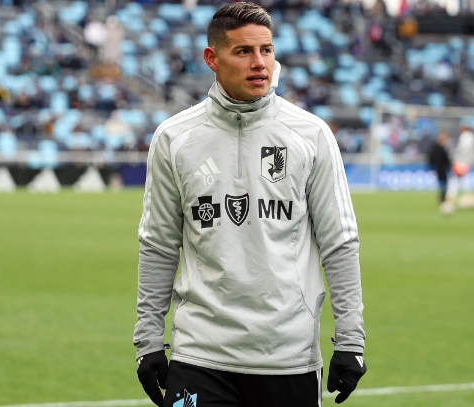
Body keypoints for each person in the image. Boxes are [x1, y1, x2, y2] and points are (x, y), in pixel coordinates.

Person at [133, 4, 366, 407]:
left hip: (288, 357)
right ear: (212, 58)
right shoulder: (174, 138)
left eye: (267, 50)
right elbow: (158, 245)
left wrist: (351, 339)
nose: (260, 63)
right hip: (200, 355)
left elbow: (340, 242)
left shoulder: (311, 135)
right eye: (243, 51)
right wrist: (148, 338)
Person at [428, 133, 452, 210]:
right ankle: (443, 197)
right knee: (443, 184)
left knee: (443, 184)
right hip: (440, 169)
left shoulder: (437, 147)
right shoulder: (439, 148)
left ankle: (443, 197)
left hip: (440, 168)